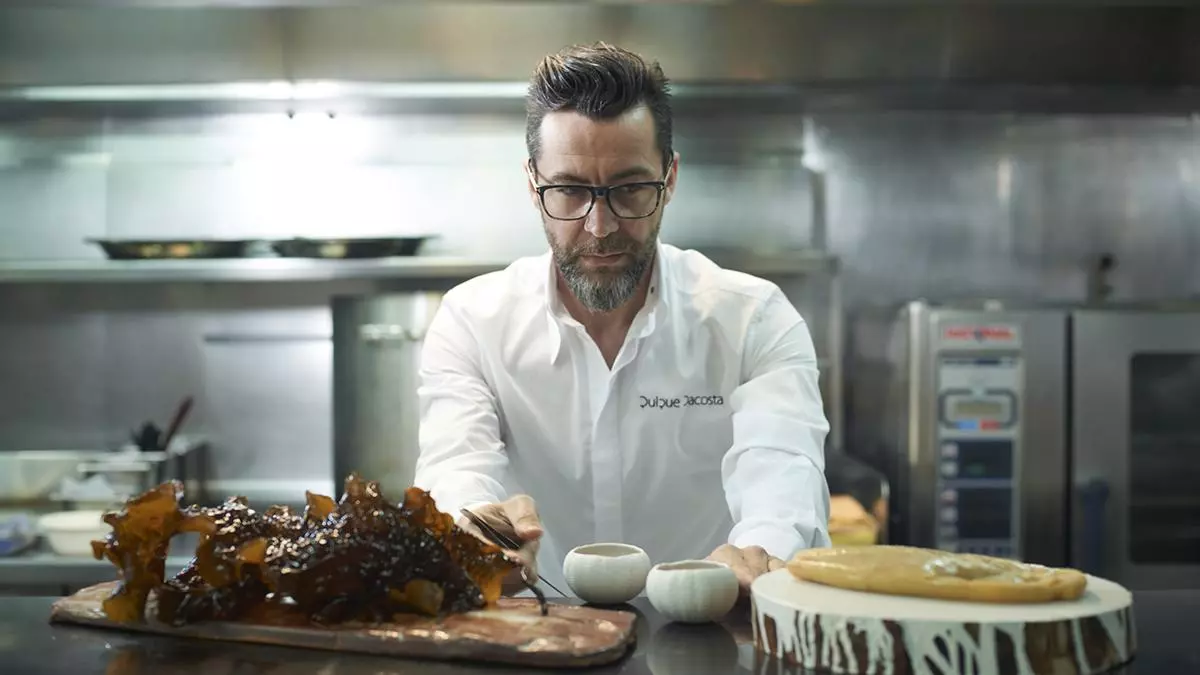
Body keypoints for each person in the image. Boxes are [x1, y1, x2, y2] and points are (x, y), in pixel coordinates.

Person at [413, 42, 831, 600]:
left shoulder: (754, 319)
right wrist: (477, 533)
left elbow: (784, 468)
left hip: (708, 626)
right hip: (535, 630)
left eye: (630, 189)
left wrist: (761, 551)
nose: (600, 226)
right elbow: (455, 468)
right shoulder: (472, 322)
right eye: (569, 190)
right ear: (533, 184)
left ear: (670, 178)